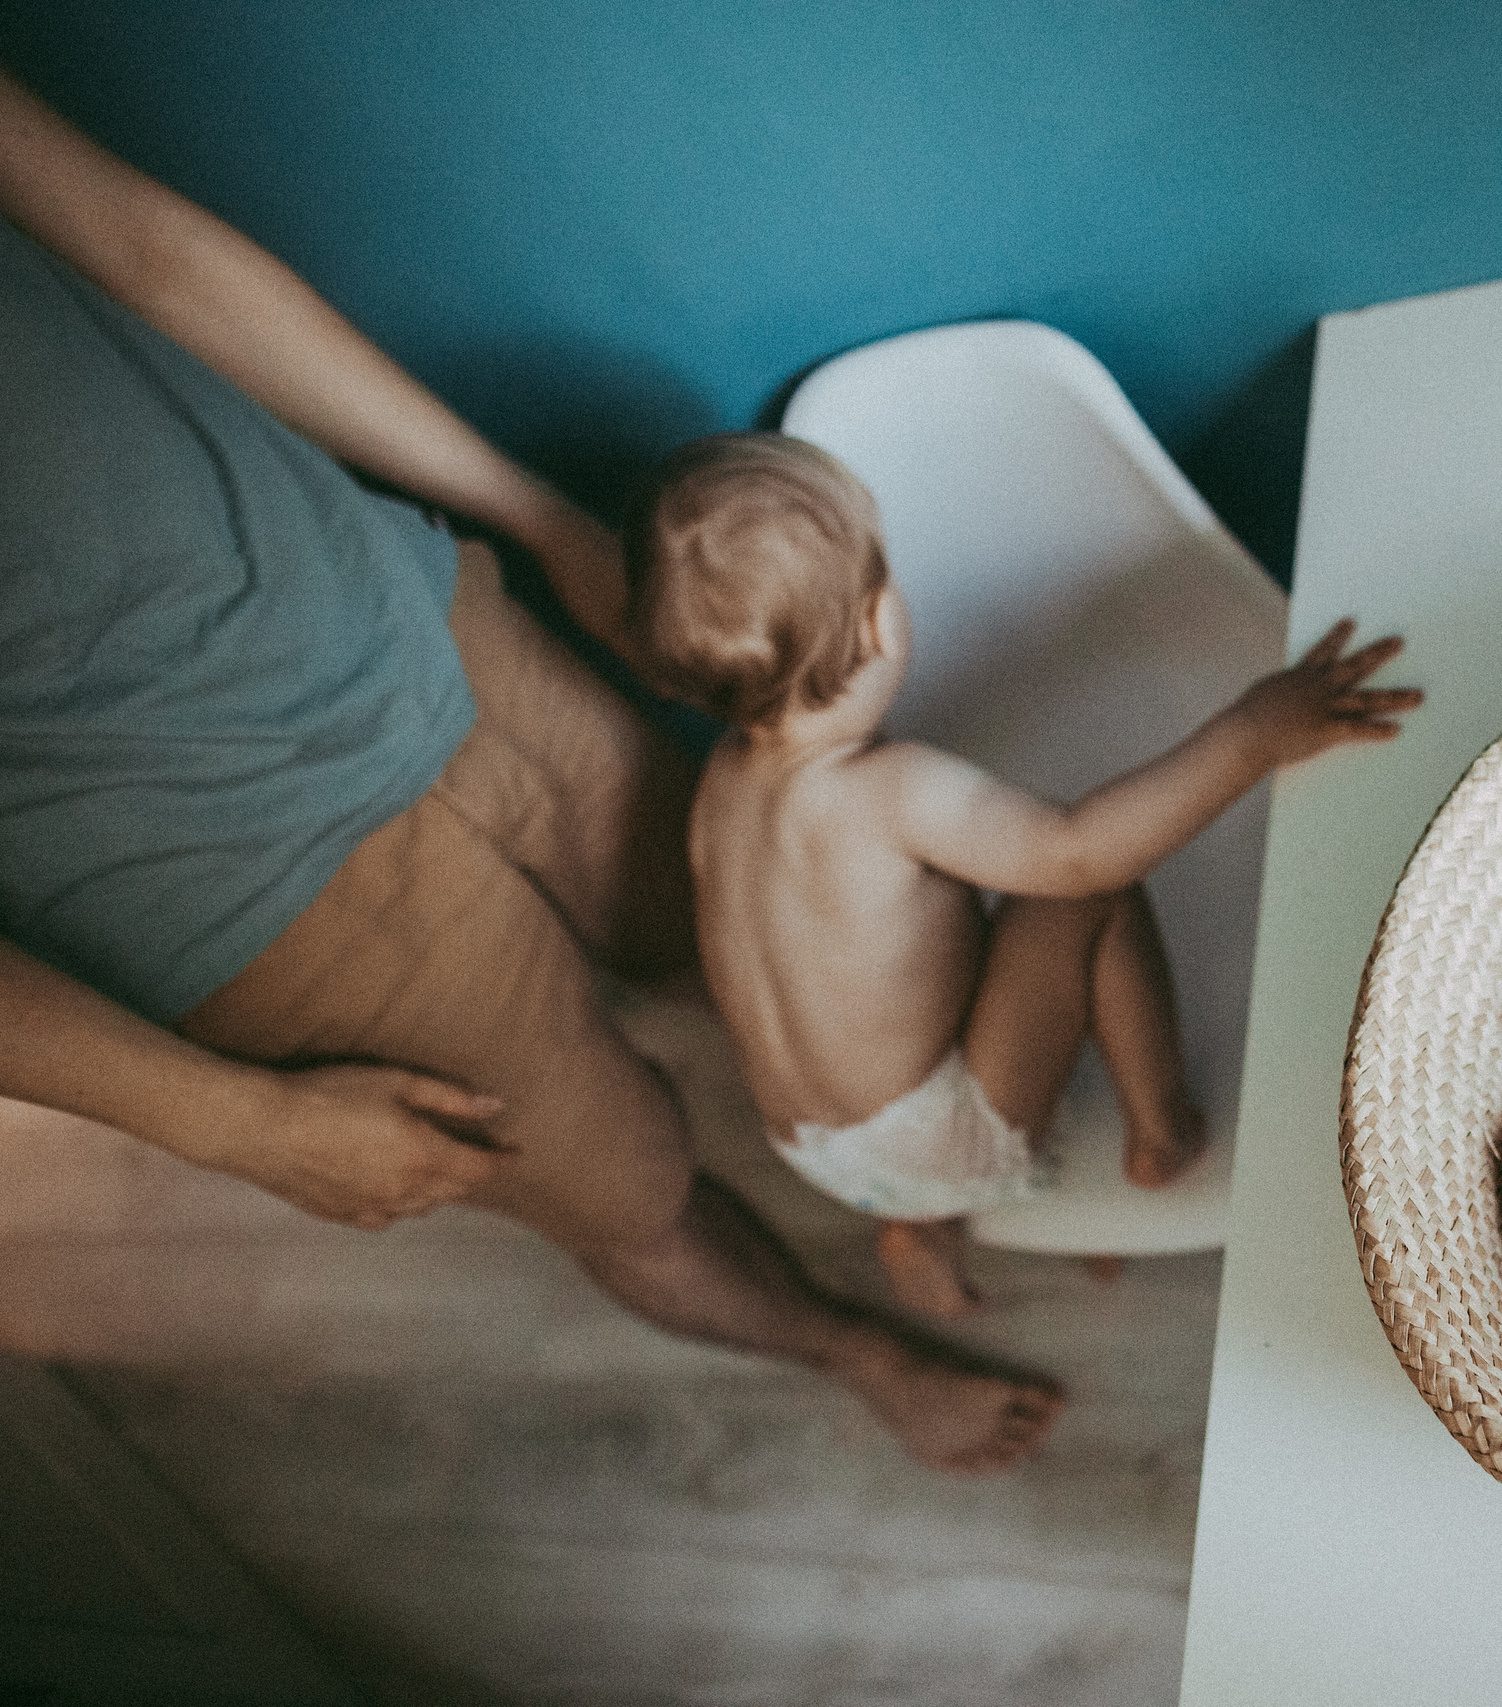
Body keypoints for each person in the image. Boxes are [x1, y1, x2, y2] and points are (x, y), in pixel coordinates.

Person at [0, 67, 1061, 1472]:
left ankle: (914, 1190)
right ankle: (851, 1345)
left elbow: (154, 259)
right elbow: (1074, 868)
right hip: (223, 887)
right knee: (626, 1187)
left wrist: (536, 519)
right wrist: (238, 1123)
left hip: (411, 607)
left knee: (745, 929)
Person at [623, 434, 1420, 1315]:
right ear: (881, 620)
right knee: (1087, 898)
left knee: (918, 1003)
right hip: (935, 1137)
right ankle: (1163, 1134)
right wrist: (1252, 734)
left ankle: (916, 1223)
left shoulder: (722, 786)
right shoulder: (890, 792)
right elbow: (1079, 850)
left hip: (810, 1146)